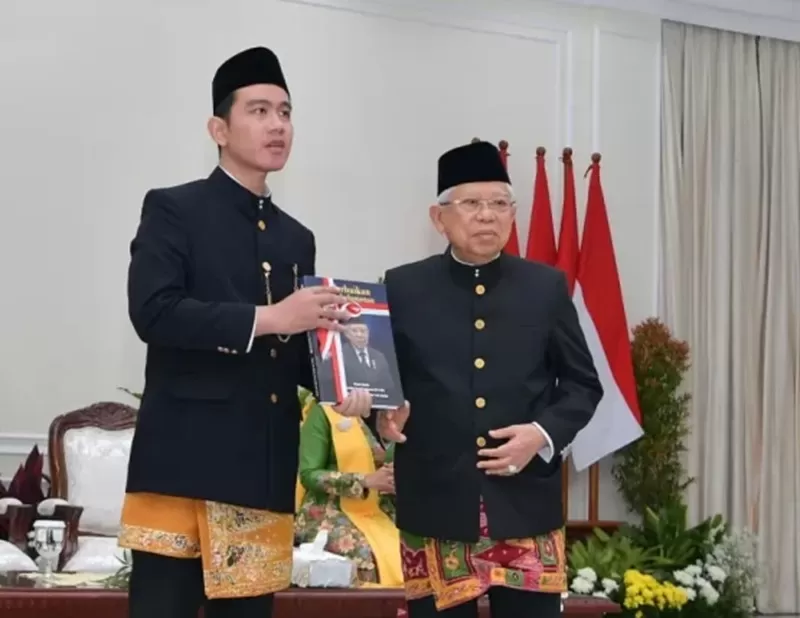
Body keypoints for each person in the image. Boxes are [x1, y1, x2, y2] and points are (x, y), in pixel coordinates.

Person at [119, 46, 371, 618]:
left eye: (285, 112)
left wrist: (350, 386)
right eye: (259, 110)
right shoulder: (173, 209)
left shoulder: (295, 237)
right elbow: (153, 312)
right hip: (184, 465)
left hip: (261, 465)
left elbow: (293, 351)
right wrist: (272, 317)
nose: (278, 124)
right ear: (218, 127)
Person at [377, 140, 604, 618]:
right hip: (436, 503)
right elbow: (383, 384)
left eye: (499, 203)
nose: (487, 216)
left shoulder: (545, 287)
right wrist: (383, 415)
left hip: (525, 503)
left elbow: (584, 384)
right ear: (439, 218)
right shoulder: (402, 287)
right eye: (472, 203)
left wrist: (540, 435)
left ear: (513, 214)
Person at [295, 388, 403, 587]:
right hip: (326, 513)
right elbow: (309, 474)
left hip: (376, 511)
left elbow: (384, 467)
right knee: (364, 556)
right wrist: (364, 481)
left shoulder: (386, 412)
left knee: (410, 549)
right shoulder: (324, 411)